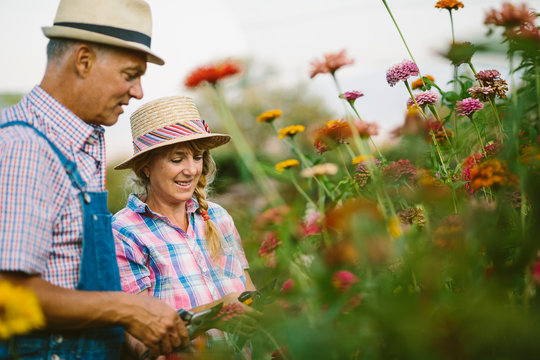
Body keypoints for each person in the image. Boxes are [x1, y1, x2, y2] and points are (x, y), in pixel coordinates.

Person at [0, 0, 189, 359]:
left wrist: (134, 340)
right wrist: (128, 310)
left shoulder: (77, 143)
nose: (138, 92)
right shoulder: (25, 147)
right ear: (83, 61)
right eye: (130, 74)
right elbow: (7, 293)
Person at [112, 96, 258, 358]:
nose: (191, 170)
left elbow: (249, 293)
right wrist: (215, 313)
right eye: (177, 159)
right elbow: (138, 341)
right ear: (146, 167)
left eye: (198, 157)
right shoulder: (124, 231)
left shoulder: (218, 217)